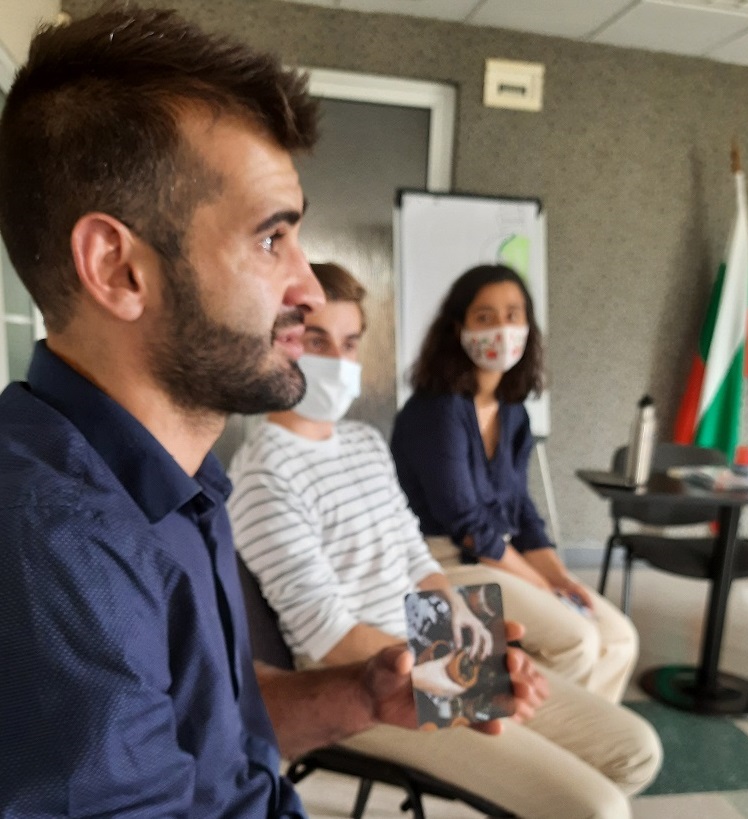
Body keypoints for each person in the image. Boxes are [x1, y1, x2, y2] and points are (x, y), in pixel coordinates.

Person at [0, 10, 544, 818]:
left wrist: (364, 692)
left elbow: (215, 729)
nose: (309, 288)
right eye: (270, 238)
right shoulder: (61, 546)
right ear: (118, 268)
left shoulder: (182, 476)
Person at [228, 261, 662, 819]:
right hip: (364, 683)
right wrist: (473, 674)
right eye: (317, 341)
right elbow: (330, 637)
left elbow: (416, 559)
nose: (338, 363)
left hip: (431, 650)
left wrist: (480, 649)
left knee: (635, 752)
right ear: (281, 343)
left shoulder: (363, 442)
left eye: (351, 343)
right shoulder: (264, 472)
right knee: (600, 808)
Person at [391, 263, 639, 704]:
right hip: (442, 561)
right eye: (485, 317)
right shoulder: (436, 411)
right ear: (458, 328)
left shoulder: (512, 411)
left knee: (620, 638)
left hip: (496, 556)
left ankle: (584, 746)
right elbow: (466, 523)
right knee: (577, 640)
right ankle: (548, 737)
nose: (502, 330)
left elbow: (521, 509)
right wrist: (540, 585)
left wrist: (561, 578)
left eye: (513, 315)